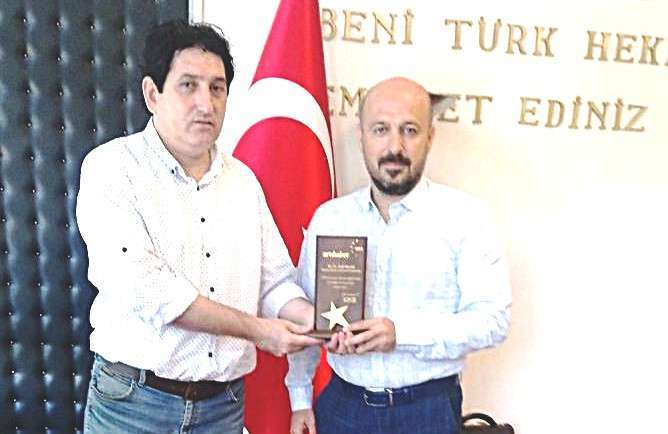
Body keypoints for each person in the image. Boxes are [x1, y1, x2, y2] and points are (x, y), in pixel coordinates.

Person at [76, 20, 320, 434]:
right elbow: (151, 293)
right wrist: (260, 332)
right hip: (133, 406)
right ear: (152, 94)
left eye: (217, 88)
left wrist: (318, 320)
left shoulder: (243, 182)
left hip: (223, 409)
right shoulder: (111, 168)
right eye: (188, 85)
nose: (206, 104)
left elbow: (274, 283)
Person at [286, 77, 512, 434]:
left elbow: (492, 322)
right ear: (361, 137)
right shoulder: (330, 219)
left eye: (410, 130)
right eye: (381, 130)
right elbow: (308, 314)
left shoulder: (467, 217)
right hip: (342, 408)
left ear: (430, 137)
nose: (395, 146)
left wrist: (400, 333)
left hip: (428, 412)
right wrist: (300, 398)